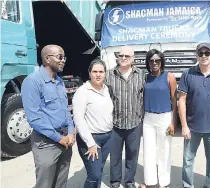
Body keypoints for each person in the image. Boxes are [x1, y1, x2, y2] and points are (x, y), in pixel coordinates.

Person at [21, 45, 74, 188]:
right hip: (46, 144)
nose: (63, 61)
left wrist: (70, 132)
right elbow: (35, 118)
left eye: (64, 57)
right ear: (47, 59)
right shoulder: (32, 81)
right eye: (60, 57)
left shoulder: (60, 81)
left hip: (65, 141)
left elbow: (66, 110)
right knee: (45, 184)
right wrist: (59, 138)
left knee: (61, 183)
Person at [178, 43, 210, 188]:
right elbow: (181, 100)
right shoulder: (187, 74)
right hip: (192, 127)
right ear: (196, 56)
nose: (204, 56)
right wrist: (184, 126)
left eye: (207, 53)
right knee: (188, 160)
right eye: (200, 53)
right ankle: (188, 185)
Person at [107, 46, 146, 188]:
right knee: (115, 155)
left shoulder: (141, 75)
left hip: (134, 123)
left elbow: (144, 97)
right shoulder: (109, 75)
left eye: (127, 56)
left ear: (133, 59)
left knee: (132, 155)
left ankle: (129, 181)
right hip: (115, 124)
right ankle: (115, 181)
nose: (123, 58)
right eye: (121, 55)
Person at [72, 59, 114, 188]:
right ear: (89, 73)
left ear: (105, 73)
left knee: (99, 171)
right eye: (95, 71)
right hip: (91, 139)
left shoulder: (107, 90)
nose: (98, 74)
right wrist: (90, 144)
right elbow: (78, 119)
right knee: (94, 175)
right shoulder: (82, 92)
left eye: (101, 72)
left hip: (107, 137)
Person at [139, 49, 177, 188]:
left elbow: (174, 101)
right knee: (148, 150)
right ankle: (149, 180)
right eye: (151, 60)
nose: (154, 63)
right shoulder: (145, 77)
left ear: (161, 62)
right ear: (148, 62)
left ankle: (164, 182)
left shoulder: (169, 77)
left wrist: (173, 122)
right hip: (148, 118)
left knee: (164, 150)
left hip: (165, 117)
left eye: (157, 60)